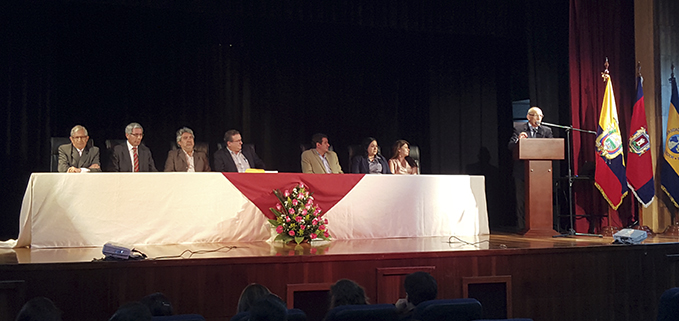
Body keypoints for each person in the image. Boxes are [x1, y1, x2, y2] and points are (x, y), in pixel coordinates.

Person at [507, 106, 553, 232]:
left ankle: (542, 226)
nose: (539, 118)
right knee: (521, 200)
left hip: (541, 173)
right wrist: (519, 140)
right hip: (522, 171)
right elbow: (510, 146)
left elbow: (552, 147)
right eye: (536, 115)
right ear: (529, 117)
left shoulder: (546, 131)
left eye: (541, 116)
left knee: (540, 199)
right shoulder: (519, 129)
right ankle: (522, 226)